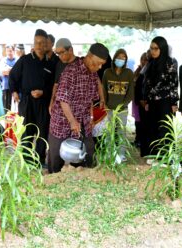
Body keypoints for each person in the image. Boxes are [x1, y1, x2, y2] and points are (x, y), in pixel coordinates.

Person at [48, 43, 109, 173]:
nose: (99, 67)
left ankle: (84, 178)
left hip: (83, 120)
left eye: (102, 64)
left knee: (88, 150)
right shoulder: (71, 71)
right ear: (89, 56)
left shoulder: (93, 74)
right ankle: (53, 179)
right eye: (97, 63)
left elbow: (92, 99)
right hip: (62, 120)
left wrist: (91, 117)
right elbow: (63, 99)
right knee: (56, 155)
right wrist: (72, 121)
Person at [9, 29, 55, 167]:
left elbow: (54, 86)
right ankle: (27, 161)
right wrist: (14, 91)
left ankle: (40, 160)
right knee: (27, 132)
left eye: (42, 43)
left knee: (42, 132)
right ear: (33, 44)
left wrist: (43, 92)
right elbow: (12, 76)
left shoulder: (51, 63)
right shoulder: (25, 60)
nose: (39, 46)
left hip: (44, 102)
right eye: (36, 43)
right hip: (27, 102)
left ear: (47, 44)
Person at [142, 36, 179, 158]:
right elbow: (146, 84)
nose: (153, 51)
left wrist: (174, 103)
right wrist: (146, 100)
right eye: (151, 48)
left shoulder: (171, 62)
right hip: (152, 102)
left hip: (166, 101)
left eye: (156, 48)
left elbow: (174, 83)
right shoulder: (151, 63)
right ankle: (153, 155)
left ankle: (165, 156)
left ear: (162, 48)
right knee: (152, 128)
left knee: (164, 129)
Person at [102, 48, 134, 161]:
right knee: (109, 131)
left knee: (121, 132)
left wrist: (123, 105)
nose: (121, 60)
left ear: (126, 60)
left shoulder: (129, 73)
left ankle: (121, 154)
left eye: (123, 58)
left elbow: (130, 93)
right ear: (114, 58)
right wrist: (105, 104)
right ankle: (110, 152)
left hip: (122, 109)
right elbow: (103, 90)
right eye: (119, 57)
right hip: (109, 108)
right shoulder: (107, 73)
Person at [49, 38, 78, 114]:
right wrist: (51, 102)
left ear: (71, 50)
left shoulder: (81, 64)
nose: (60, 56)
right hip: (61, 107)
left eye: (62, 52)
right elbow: (56, 84)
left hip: (77, 107)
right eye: (58, 53)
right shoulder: (59, 64)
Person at [132, 52, 148, 148]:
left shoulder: (148, 72)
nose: (143, 61)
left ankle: (142, 140)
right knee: (137, 121)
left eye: (146, 59)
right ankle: (137, 139)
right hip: (136, 101)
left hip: (144, 101)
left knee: (143, 121)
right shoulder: (137, 71)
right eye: (142, 59)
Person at [0, 44, 17, 112]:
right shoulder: (3, 60)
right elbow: (3, 72)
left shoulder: (17, 60)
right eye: (7, 51)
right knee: (6, 107)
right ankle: (7, 121)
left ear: (13, 51)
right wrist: (13, 70)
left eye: (10, 51)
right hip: (6, 86)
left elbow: (18, 73)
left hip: (16, 87)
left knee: (16, 107)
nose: (9, 53)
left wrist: (9, 69)